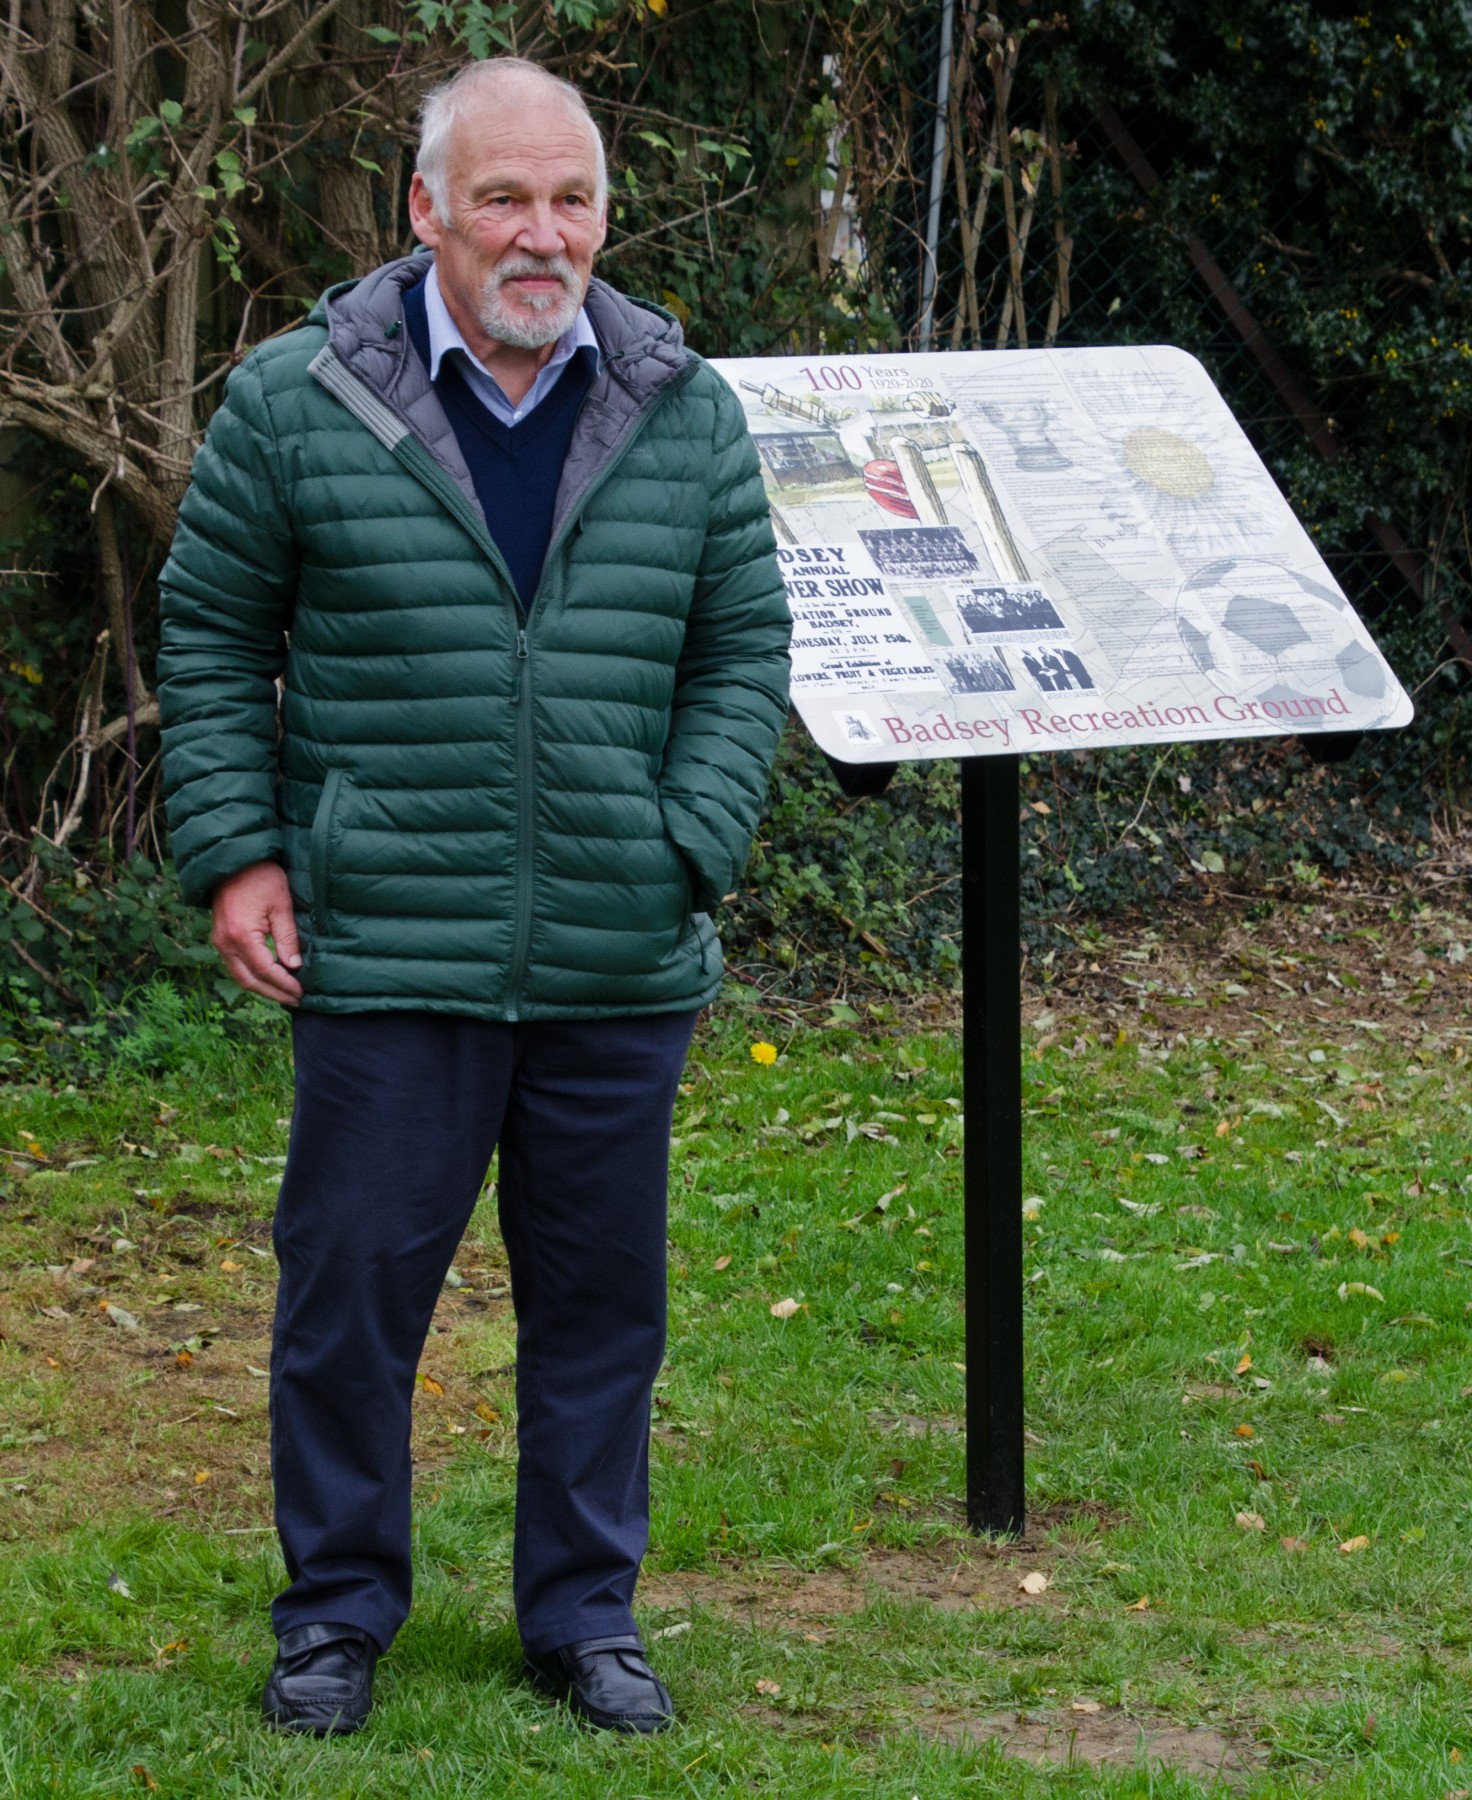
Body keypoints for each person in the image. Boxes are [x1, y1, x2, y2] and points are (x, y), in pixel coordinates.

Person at [157, 56, 790, 1738]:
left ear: (604, 217)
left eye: (571, 198)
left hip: (614, 949)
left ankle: (586, 1617)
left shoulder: (682, 405)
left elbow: (743, 649)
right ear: (425, 209)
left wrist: (688, 842)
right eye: (504, 196)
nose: (543, 232)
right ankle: (336, 1619)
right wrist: (239, 849)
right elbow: (213, 634)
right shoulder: (299, 401)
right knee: (348, 1304)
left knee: (601, 1316)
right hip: (384, 947)